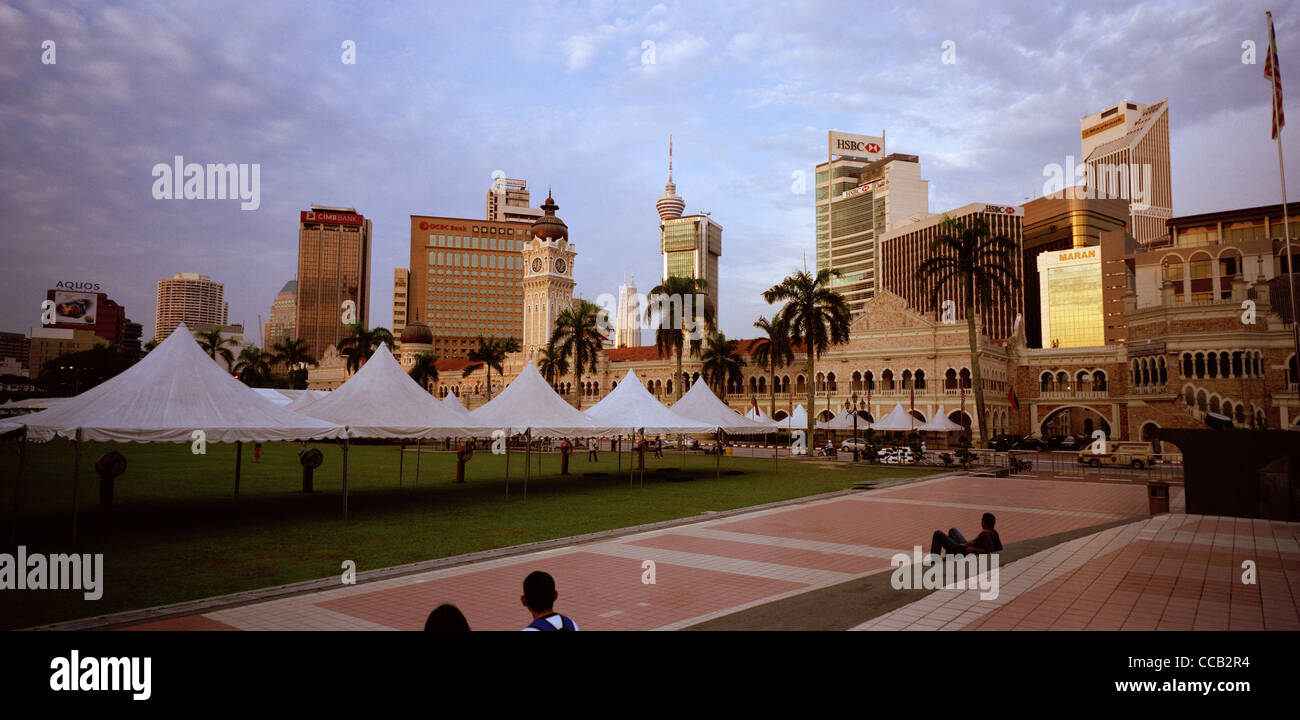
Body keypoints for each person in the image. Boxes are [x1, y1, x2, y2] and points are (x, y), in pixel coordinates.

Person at [927, 512, 1002, 564]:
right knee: (953, 530)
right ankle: (949, 558)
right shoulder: (993, 532)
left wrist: (973, 549)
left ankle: (935, 561)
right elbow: (999, 548)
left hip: (964, 551)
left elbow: (989, 551)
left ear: (984, 522)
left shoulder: (985, 534)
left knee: (938, 534)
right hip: (967, 546)